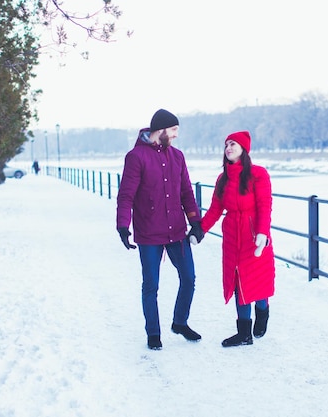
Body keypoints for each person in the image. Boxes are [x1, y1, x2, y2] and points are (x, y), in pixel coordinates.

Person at [116, 109, 205, 350]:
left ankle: (180, 322)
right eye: (174, 130)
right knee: (151, 285)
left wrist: (196, 222)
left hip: (177, 231)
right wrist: (123, 226)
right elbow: (126, 196)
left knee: (189, 278)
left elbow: (186, 191)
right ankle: (153, 333)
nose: (176, 135)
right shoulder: (136, 157)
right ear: (161, 130)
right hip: (149, 234)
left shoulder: (177, 157)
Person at [198, 131, 275, 347]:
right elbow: (215, 209)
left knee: (257, 281)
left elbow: (264, 205)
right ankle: (244, 334)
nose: (228, 148)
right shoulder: (223, 179)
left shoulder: (258, 174)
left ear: (244, 148)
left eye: (233, 144)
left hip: (254, 236)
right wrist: (200, 230)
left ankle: (262, 314)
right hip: (232, 236)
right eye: (226, 145)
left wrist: (262, 233)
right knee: (237, 282)